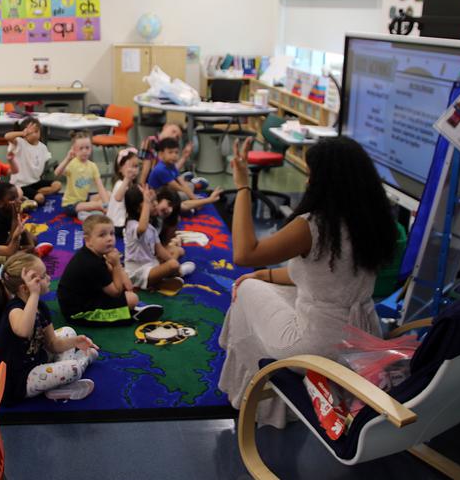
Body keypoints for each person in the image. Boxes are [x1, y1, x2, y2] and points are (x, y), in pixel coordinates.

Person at [218, 137, 397, 428]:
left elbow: (244, 253)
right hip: (364, 335)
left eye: (312, 172)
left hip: (318, 344)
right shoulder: (372, 220)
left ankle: (254, 398)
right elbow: (321, 278)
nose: (307, 179)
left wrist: (242, 186)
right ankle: (272, 400)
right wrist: (264, 274)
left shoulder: (313, 225)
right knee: (260, 284)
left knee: (245, 289)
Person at [0, 252, 100, 406]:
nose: (49, 278)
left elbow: (53, 344)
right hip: (18, 379)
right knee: (74, 369)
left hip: (36, 359)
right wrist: (34, 294)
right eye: (43, 275)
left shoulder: (41, 306)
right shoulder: (15, 310)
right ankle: (80, 363)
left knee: (68, 331)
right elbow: (24, 332)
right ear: (25, 288)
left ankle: (60, 383)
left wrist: (76, 342)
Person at [57, 215, 163, 326]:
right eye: (102, 235)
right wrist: (116, 265)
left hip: (87, 296)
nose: (109, 238)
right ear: (88, 240)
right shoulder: (91, 263)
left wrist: (116, 267)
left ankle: (135, 308)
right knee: (132, 299)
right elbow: (116, 292)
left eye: (111, 233)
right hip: (78, 312)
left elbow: (128, 286)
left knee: (129, 295)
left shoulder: (96, 254)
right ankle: (133, 313)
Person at [123, 184, 195, 289]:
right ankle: (169, 277)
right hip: (138, 273)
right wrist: (173, 265)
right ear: (138, 209)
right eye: (150, 202)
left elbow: (160, 250)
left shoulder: (151, 228)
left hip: (151, 264)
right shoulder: (132, 225)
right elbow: (142, 228)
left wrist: (172, 261)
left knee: (175, 253)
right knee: (172, 265)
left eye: (154, 200)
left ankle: (167, 277)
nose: (155, 204)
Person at [146, 137, 220, 212]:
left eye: (176, 152)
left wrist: (194, 198)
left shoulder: (170, 164)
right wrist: (195, 200)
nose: (174, 155)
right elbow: (179, 187)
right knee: (184, 195)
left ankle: (192, 190)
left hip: (167, 190)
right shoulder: (161, 169)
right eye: (170, 152)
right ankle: (188, 206)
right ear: (161, 154)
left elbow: (182, 183)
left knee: (189, 186)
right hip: (158, 197)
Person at [5, 116, 62, 206]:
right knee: (40, 199)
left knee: (58, 185)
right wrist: (22, 133)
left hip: (35, 182)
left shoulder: (42, 147)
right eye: (31, 132)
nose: (34, 134)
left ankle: (33, 194)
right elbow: (7, 136)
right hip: (21, 184)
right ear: (25, 132)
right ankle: (32, 195)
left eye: (37, 131)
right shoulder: (20, 143)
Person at [55, 131, 110, 217]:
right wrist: (67, 159)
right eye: (81, 148)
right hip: (70, 205)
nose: (84, 151)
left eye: (87, 148)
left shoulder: (92, 166)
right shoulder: (72, 163)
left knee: (108, 194)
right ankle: (94, 209)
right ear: (74, 149)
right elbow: (57, 173)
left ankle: (88, 211)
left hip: (84, 199)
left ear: (91, 148)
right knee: (98, 204)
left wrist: (107, 204)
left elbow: (100, 187)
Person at [0, 181, 39, 254]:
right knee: (16, 255)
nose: (19, 202)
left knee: (34, 240)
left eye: (17, 197)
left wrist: (31, 245)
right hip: (5, 247)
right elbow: (8, 246)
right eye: (12, 199)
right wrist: (15, 219)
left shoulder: (11, 210)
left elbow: (22, 229)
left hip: (13, 236)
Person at [105, 146, 141, 236]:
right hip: (118, 225)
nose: (134, 170)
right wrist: (127, 178)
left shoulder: (132, 183)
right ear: (120, 169)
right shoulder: (121, 183)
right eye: (130, 167)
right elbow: (118, 197)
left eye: (136, 166)